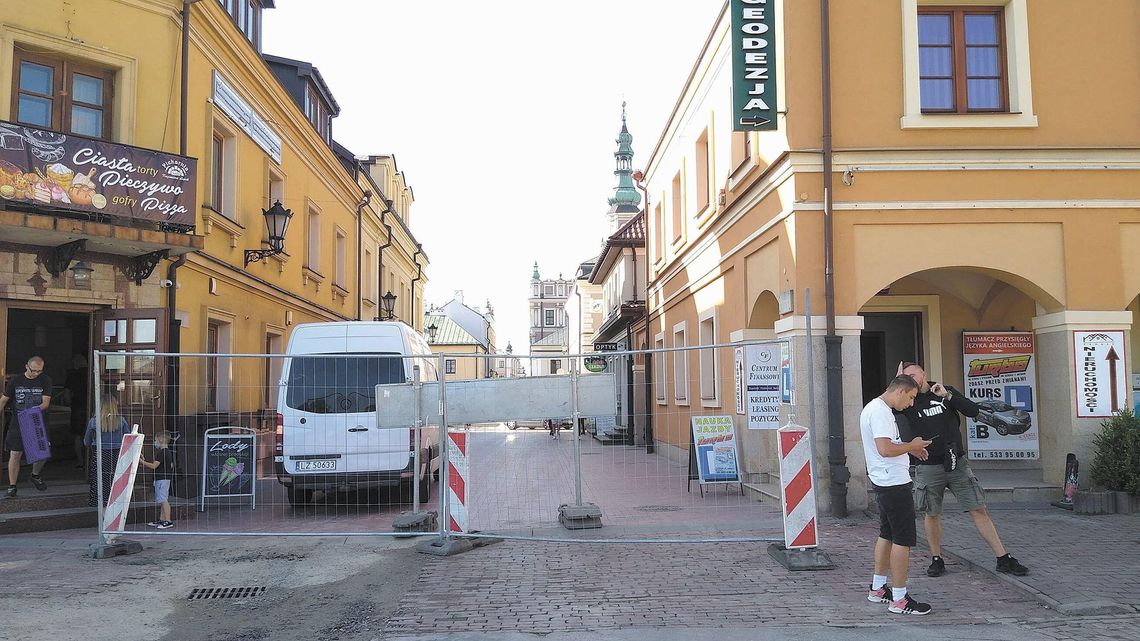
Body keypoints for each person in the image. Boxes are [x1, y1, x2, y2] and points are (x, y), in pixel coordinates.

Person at [898, 361, 1030, 578]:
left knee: (978, 508)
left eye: (914, 374)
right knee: (932, 513)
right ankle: (936, 558)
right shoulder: (908, 399)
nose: (912, 378)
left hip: (956, 461)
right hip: (929, 465)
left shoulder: (943, 391)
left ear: (924, 373)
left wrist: (948, 396)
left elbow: (973, 410)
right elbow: (890, 412)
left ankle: (1003, 558)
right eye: (906, 376)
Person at [860, 375, 933, 615]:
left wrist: (911, 448)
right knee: (903, 539)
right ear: (900, 391)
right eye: (911, 397)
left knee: (887, 534)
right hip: (893, 482)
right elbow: (885, 449)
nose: (911, 404)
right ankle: (899, 598)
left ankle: (878, 588)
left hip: (884, 480)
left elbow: (889, 445)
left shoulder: (873, 408)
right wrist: (913, 446)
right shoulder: (881, 412)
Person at [2, 356, 53, 498]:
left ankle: (35, 474)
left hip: (37, 420)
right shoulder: (16, 381)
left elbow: (45, 403)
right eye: (33, 370)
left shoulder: (45, 380)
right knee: (15, 454)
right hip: (18, 422)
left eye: (39, 371)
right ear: (26, 366)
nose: (36, 373)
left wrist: (31, 411)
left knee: (42, 454)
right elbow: (4, 400)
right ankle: (12, 486)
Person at [83, 393, 129, 507]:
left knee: (100, 480)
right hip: (117, 455)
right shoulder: (121, 421)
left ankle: (100, 506)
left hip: (100, 455)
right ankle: (115, 504)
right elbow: (128, 439)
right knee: (114, 479)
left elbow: (86, 442)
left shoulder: (93, 422)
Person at [138, 431, 176, 529]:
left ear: (161, 439)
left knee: (163, 500)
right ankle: (162, 519)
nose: (155, 442)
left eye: (155, 440)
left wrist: (142, 462)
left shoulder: (162, 452)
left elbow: (154, 466)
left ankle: (168, 521)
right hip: (163, 479)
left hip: (162, 479)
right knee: (162, 499)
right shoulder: (167, 452)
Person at [65, 354, 90, 468]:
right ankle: (90, 461)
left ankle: (80, 461)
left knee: (78, 436)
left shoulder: (72, 375)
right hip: (92, 407)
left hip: (77, 407)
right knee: (91, 433)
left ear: (75, 363)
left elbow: (66, 394)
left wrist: (70, 403)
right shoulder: (91, 373)